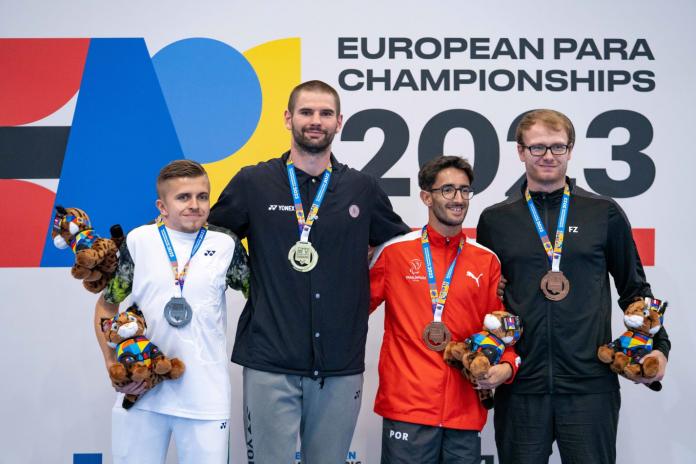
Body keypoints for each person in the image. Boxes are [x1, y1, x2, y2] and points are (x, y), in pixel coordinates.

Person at [208, 80, 410, 463]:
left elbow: (401, 250)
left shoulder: (362, 189)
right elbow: (207, 242)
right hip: (270, 357)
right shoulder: (254, 182)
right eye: (306, 112)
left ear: (340, 122)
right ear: (288, 118)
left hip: (339, 362)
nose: (315, 121)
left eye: (325, 113)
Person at [476, 109, 670, 464]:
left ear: (570, 150)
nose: (548, 156)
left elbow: (635, 289)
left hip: (589, 386)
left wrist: (659, 347)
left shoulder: (603, 212)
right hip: (522, 387)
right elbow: (488, 300)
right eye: (537, 148)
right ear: (520, 151)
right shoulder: (495, 219)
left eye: (557, 147)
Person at [94, 159, 250, 464]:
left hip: (206, 397)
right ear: (161, 206)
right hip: (142, 393)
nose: (195, 205)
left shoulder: (226, 244)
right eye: (183, 197)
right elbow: (106, 304)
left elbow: (262, 296)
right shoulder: (140, 240)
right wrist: (112, 363)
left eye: (202, 196)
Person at [368, 155, 520, 464]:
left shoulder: (486, 260)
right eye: (448, 190)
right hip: (408, 407)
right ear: (426, 196)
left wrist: (507, 367)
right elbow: (350, 312)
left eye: (465, 191)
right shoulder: (395, 253)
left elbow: (499, 330)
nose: (458, 199)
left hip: (464, 410)